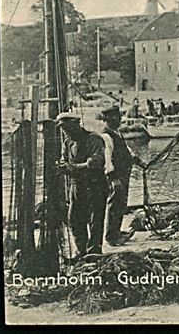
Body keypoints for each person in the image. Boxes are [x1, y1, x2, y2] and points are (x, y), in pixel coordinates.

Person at [56, 113, 107, 258]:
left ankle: (94, 252)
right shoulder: (68, 143)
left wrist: (75, 167)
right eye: (62, 129)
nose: (65, 131)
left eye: (67, 128)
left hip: (95, 185)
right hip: (76, 186)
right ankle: (81, 251)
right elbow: (64, 159)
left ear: (76, 124)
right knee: (74, 219)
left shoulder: (93, 138)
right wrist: (63, 167)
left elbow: (96, 161)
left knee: (95, 220)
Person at [99, 106, 146, 246]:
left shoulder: (117, 133)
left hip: (124, 174)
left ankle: (117, 231)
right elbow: (107, 158)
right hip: (116, 176)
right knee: (114, 204)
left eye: (119, 118)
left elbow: (127, 150)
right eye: (116, 118)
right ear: (108, 119)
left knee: (121, 204)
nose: (119, 120)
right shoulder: (106, 136)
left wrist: (137, 161)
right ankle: (111, 236)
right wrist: (112, 177)